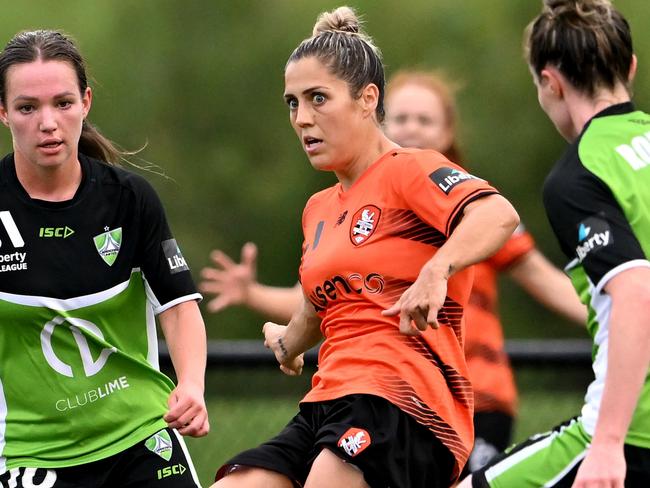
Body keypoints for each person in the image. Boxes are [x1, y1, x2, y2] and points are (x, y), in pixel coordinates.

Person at [200, 68, 586, 473]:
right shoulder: (325, 206)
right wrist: (270, 318)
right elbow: (321, 301)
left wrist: (619, 320)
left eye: (425, 120)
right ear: (379, 114)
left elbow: (523, 249)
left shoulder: (452, 196)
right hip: (340, 394)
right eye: (402, 119)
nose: (412, 128)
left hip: (443, 391)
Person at [211, 6, 520, 488]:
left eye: (318, 99)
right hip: (327, 402)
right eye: (293, 103)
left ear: (366, 99)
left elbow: (497, 214)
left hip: (406, 403)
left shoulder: (408, 168)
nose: (302, 119)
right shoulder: (317, 208)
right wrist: (288, 342)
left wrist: (436, 270)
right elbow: (321, 307)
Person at [0, 30, 208, 487]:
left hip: (141, 436)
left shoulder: (129, 199)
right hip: (32, 453)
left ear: (86, 102)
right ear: (3, 112)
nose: (48, 122)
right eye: (27, 107)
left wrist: (192, 384)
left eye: (63, 103)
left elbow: (177, 305)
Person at [460, 1, 650, 487]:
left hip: (631, 433)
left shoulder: (580, 173)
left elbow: (635, 292)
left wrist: (607, 443)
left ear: (551, 83)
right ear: (630, 67)